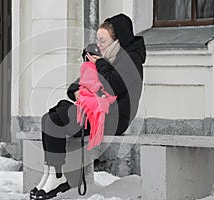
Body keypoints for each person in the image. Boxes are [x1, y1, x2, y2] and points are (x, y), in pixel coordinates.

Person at [30, 13, 146, 200]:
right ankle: (54, 174)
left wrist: (99, 63)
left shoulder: (131, 60)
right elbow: (74, 87)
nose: (98, 45)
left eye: (103, 41)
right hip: (95, 115)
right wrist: (78, 91)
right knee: (49, 119)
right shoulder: (107, 59)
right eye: (97, 40)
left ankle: (55, 175)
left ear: (117, 40)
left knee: (61, 109)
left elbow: (114, 85)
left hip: (115, 120)